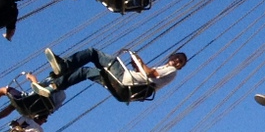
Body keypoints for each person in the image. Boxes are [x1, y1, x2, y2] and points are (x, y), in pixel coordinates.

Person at [45, 46, 186, 101]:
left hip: (124, 79)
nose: (177, 60)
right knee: (85, 72)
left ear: (180, 66)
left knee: (92, 53)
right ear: (171, 57)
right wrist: (137, 67)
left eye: (180, 61)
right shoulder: (165, 69)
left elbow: (150, 73)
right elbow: (147, 76)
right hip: (125, 89)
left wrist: (138, 60)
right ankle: (53, 87)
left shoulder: (171, 71)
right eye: (177, 57)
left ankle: (64, 65)